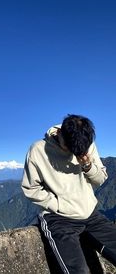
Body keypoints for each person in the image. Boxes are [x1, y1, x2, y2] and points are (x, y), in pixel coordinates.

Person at [21, 114, 116, 274]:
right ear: (60, 134)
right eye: (70, 149)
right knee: (79, 271)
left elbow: (100, 179)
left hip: (90, 213)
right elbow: (31, 188)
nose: (74, 153)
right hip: (59, 219)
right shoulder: (38, 150)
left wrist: (87, 165)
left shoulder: (85, 143)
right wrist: (58, 205)